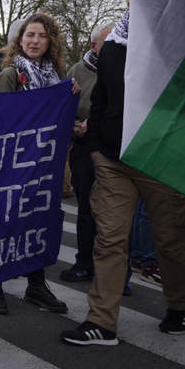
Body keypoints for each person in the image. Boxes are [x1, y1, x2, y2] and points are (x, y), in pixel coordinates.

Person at [60, 0, 185, 346]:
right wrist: (99, 140)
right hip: (114, 158)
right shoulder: (115, 42)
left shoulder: (181, 38)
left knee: (169, 241)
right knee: (110, 238)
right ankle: (102, 322)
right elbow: (103, 95)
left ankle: (180, 304)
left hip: (160, 158)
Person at [0, 13, 79, 316]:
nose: (35, 41)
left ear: (50, 41)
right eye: (29, 35)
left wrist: (70, 96)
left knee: (37, 221)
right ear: (20, 39)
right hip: (12, 163)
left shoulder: (55, 77)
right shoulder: (11, 74)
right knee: (5, 221)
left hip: (42, 165)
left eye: (41, 36)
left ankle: (36, 285)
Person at [60, 23, 112, 282]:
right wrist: (74, 126)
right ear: (94, 45)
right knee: (85, 209)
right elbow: (62, 108)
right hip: (83, 148)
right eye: (108, 40)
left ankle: (114, 273)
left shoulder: (122, 68)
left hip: (111, 147)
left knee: (113, 212)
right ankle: (83, 262)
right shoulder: (77, 71)